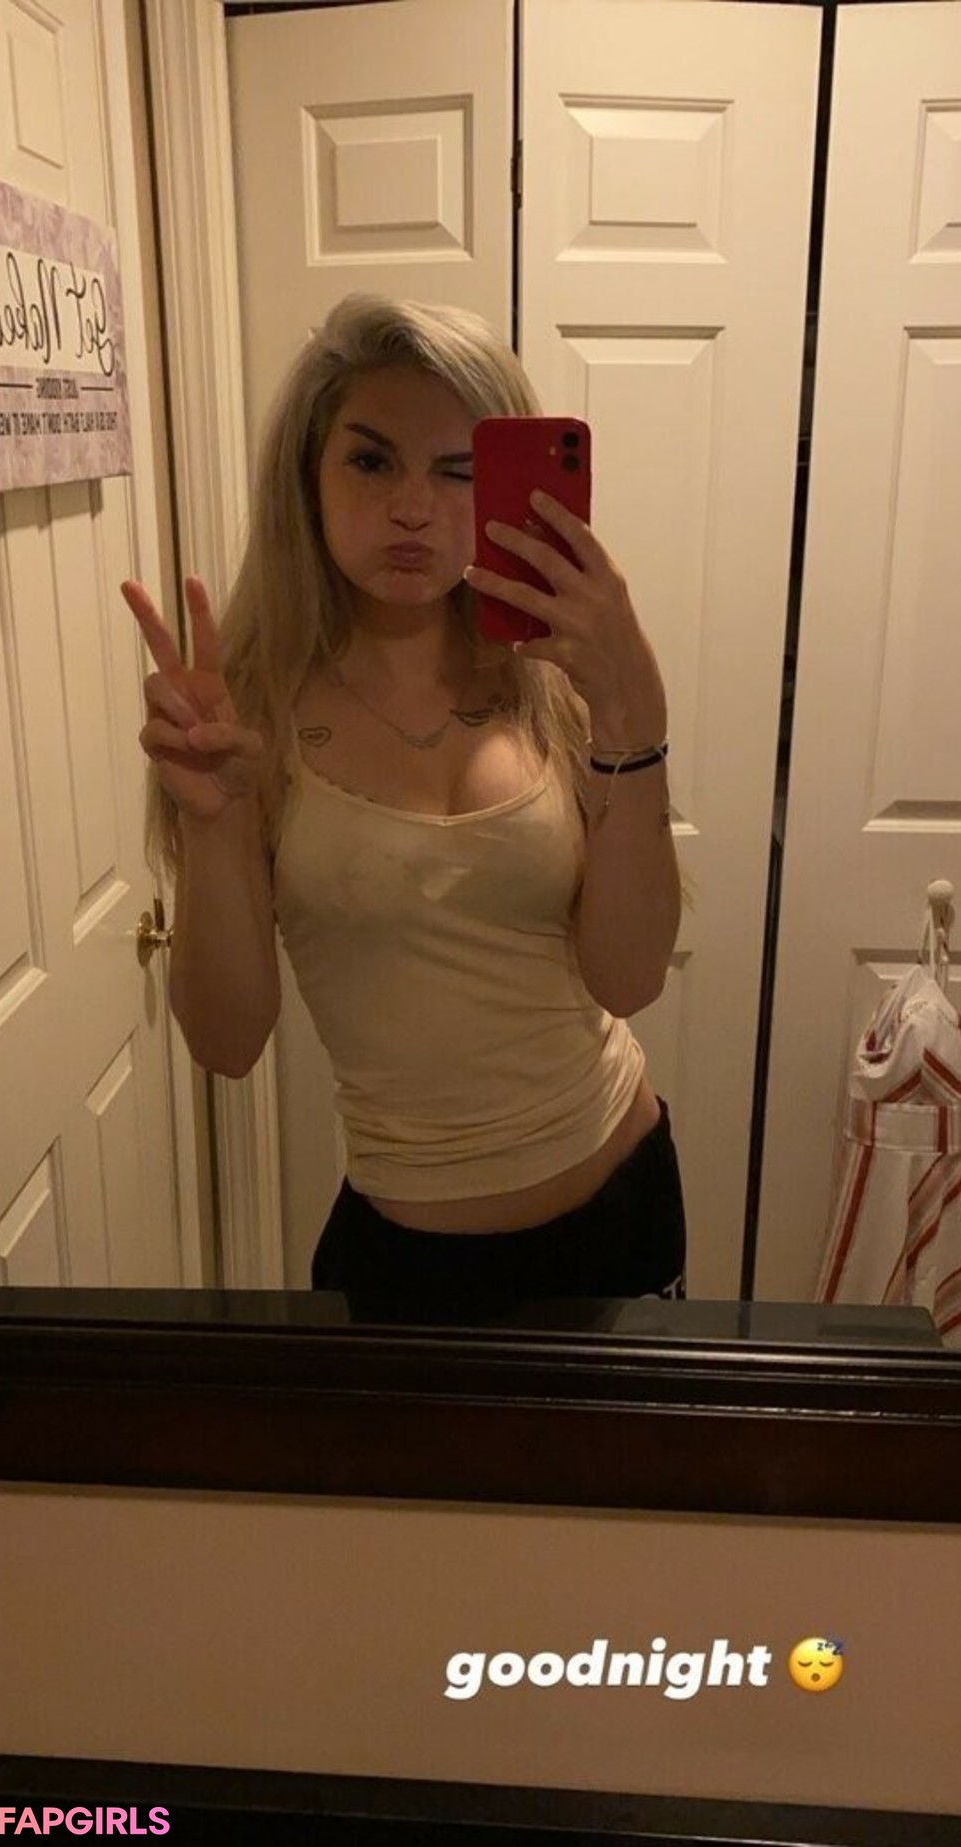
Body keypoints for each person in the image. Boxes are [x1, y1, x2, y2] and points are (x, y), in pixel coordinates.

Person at [122, 293, 686, 1320]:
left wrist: (635, 717)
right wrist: (214, 823)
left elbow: (630, 976)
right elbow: (227, 1043)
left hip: (623, 1197)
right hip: (408, 1257)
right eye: (373, 461)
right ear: (308, 475)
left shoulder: (556, 681)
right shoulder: (246, 709)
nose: (414, 507)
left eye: (459, 469)